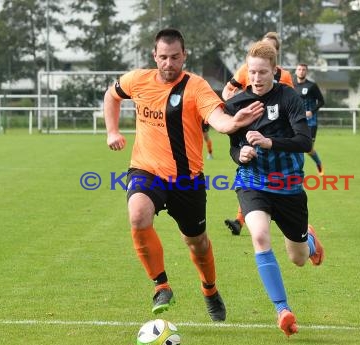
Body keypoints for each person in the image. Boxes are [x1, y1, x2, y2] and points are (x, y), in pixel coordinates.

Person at [103, 28, 264, 322]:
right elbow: (111, 95)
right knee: (138, 216)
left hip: (186, 180)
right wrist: (112, 131)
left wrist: (232, 123)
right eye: (163, 57)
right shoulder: (137, 80)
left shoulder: (196, 87)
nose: (168, 63)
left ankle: (210, 290)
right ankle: (161, 286)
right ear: (154, 56)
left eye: (175, 57)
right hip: (146, 170)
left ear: (184, 55)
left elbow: (217, 119)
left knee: (197, 242)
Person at [224, 41, 325, 337]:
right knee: (259, 235)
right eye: (251, 72)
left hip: (289, 185)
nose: (256, 78)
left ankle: (309, 242)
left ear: (275, 71)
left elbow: (305, 142)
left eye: (262, 73)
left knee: (297, 258)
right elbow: (233, 147)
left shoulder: (290, 98)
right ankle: (283, 310)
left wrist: (270, 142)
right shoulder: (237, 104)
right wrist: (240, 154)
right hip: (252, 181)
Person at [223, 31, 293, 236]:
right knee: (250, 173)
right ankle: (240, 220)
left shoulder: (286, 77)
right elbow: (229, 89)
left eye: (270, 48)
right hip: (250, 128)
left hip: (277, 137)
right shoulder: (246, 69)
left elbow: (290, 105)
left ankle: (300, 232)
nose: (256, 77)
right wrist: (232, 110)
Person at [294, 63, 325, 176]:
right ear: (296, 71)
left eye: (303, 69)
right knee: (294, 145)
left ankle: (318, 163)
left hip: (310, 122)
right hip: (296, 121)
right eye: (299, 69)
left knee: (308, 148)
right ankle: (295, 172)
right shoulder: (291, 85)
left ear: (306, 72)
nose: (301, 71)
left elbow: (321, 101)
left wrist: (311, 111)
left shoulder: (312, 86)